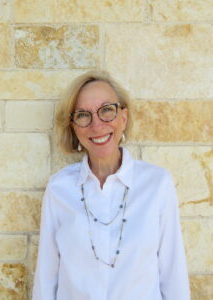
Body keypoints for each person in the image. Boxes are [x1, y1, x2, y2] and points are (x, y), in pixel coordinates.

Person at [32, 70, 190, 300]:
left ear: (123, 118)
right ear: (74, 127)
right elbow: (46, 279)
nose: (97, 125)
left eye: (107, 110)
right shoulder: (59, 189)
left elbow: (173, 274)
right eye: (84, 115)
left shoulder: (157, 184)